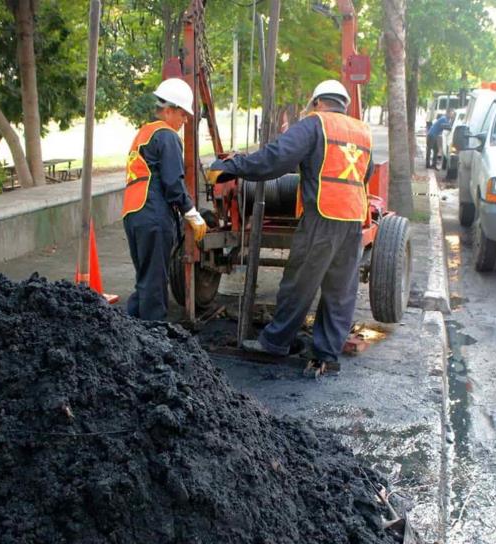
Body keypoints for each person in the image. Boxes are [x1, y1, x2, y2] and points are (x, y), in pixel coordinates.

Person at [207, 79, 374, 374]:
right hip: (353, 220)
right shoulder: (362, 132)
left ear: (318, 102)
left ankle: (275, 343)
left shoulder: (315, 124)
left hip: (322, 215)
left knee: (299, 283)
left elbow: (277, 158)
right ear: (344, 104)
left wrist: (234, 166)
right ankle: (326, 354)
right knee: (340, 291)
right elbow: (365, 174)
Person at [122, 78, 206, 321]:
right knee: (156, 283)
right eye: (182, 114)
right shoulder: (166, 135)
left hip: (133, 213)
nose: (185, 120)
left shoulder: (144, 133)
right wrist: (192, 214)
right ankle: (155, 340)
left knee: (146, 279)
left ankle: (128, 331)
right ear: (168, 110)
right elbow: (172, 183)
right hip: (153, 215)